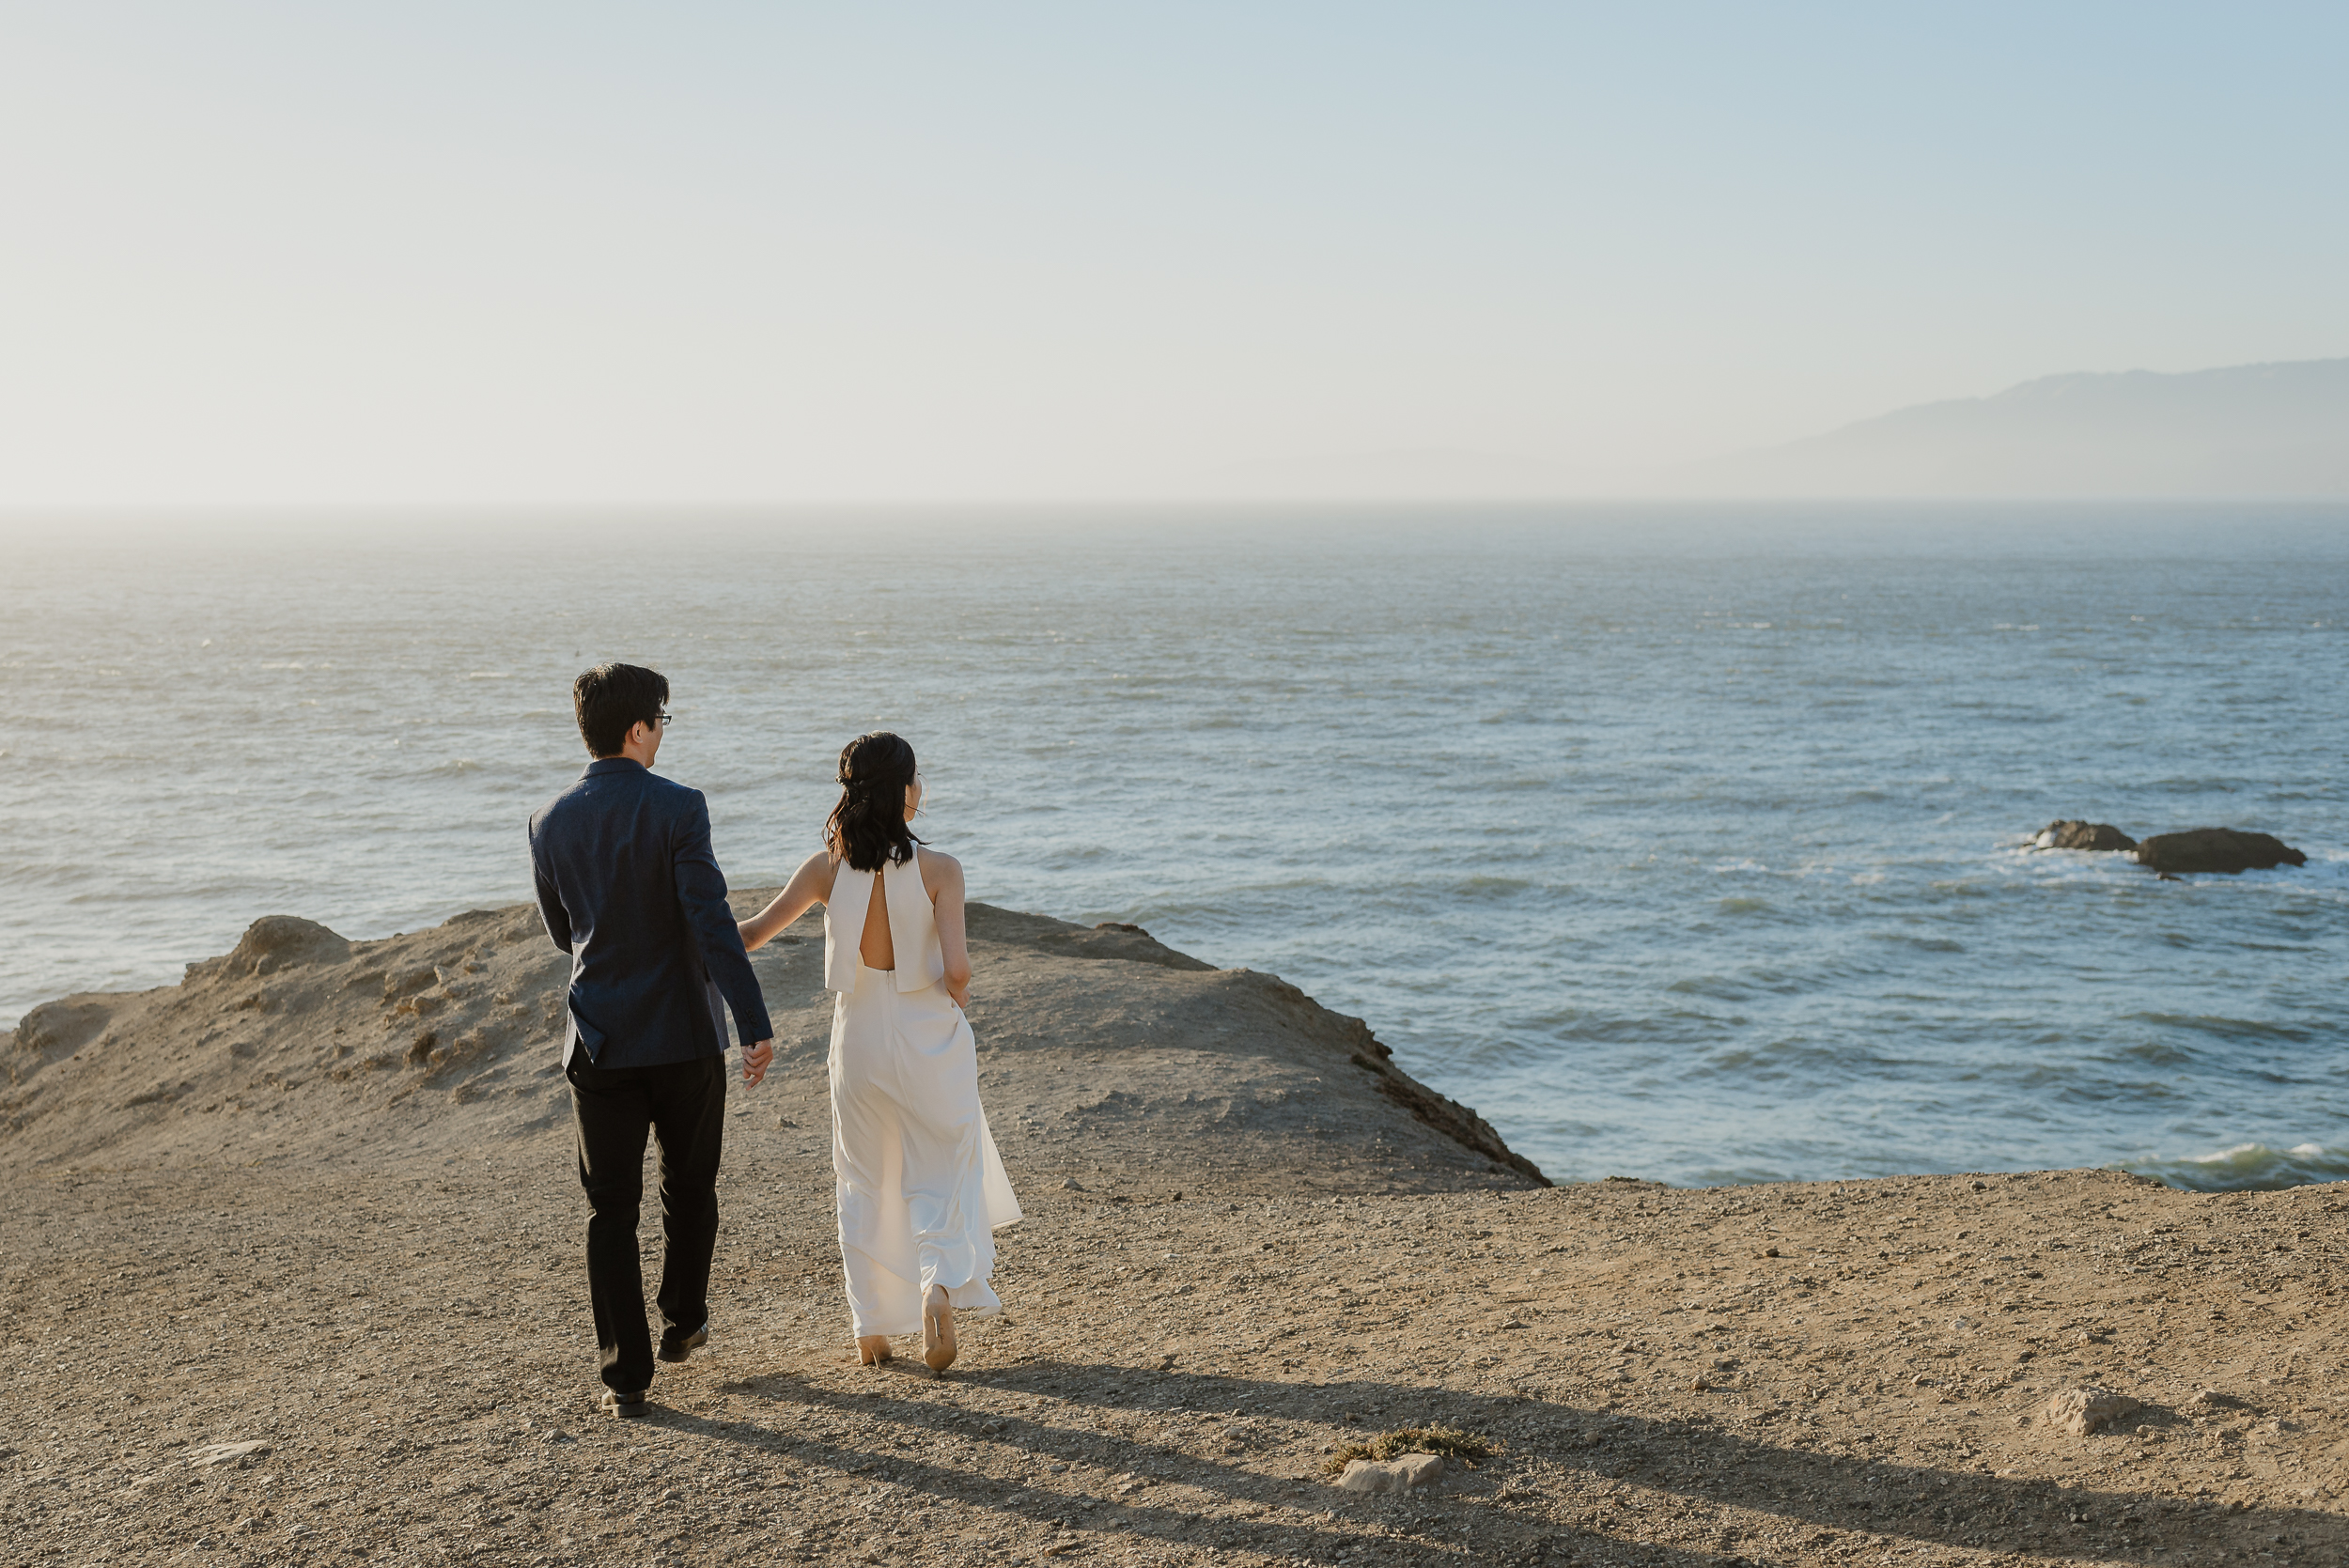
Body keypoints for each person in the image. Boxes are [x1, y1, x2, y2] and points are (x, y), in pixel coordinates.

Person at [528, 663, 776, 1418]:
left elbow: (561, 931)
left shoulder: (548, 819)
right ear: (637, 728)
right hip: (682, 1033)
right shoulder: (679, 807)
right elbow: (710, 920)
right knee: (691, 1185)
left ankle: (626, 1377)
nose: (665, 731)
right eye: (662, 719)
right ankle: (684, 1315)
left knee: (610, 1208)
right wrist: (753, 1023)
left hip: (598, 1039)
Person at [738, 732, 1019, 1372]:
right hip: (929, 1034)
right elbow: (957, 968)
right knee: (941, 1169)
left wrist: (682, 927)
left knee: (863, 1177)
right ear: (903, 789)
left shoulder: (824, 869)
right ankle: (938, 1285)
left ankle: (871, 1328)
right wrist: (959, 994)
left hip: (858, 1036)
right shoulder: (941, 869)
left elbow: (750, 934)